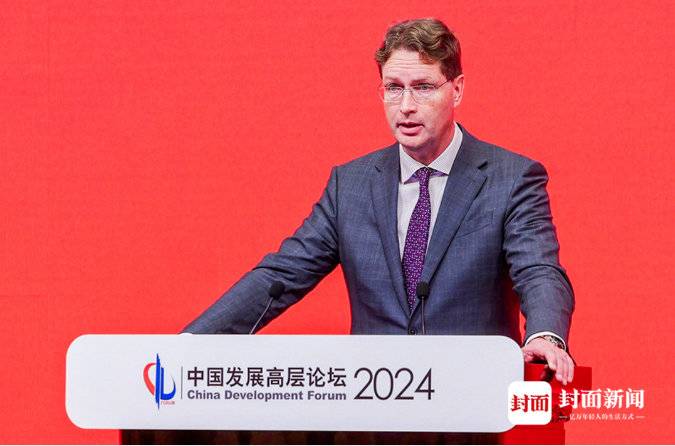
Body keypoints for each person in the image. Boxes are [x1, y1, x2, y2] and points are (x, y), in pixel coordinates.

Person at [184, 18, 575, 384]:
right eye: (393, 88)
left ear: (456, 89)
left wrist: (545, 334)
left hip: (473, 396)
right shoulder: (350, 185)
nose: (406, 106)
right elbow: (280, 277)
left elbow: (538, 270)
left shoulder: (511, 178)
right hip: (374, 403)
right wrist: (185, 348)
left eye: (423, 87)